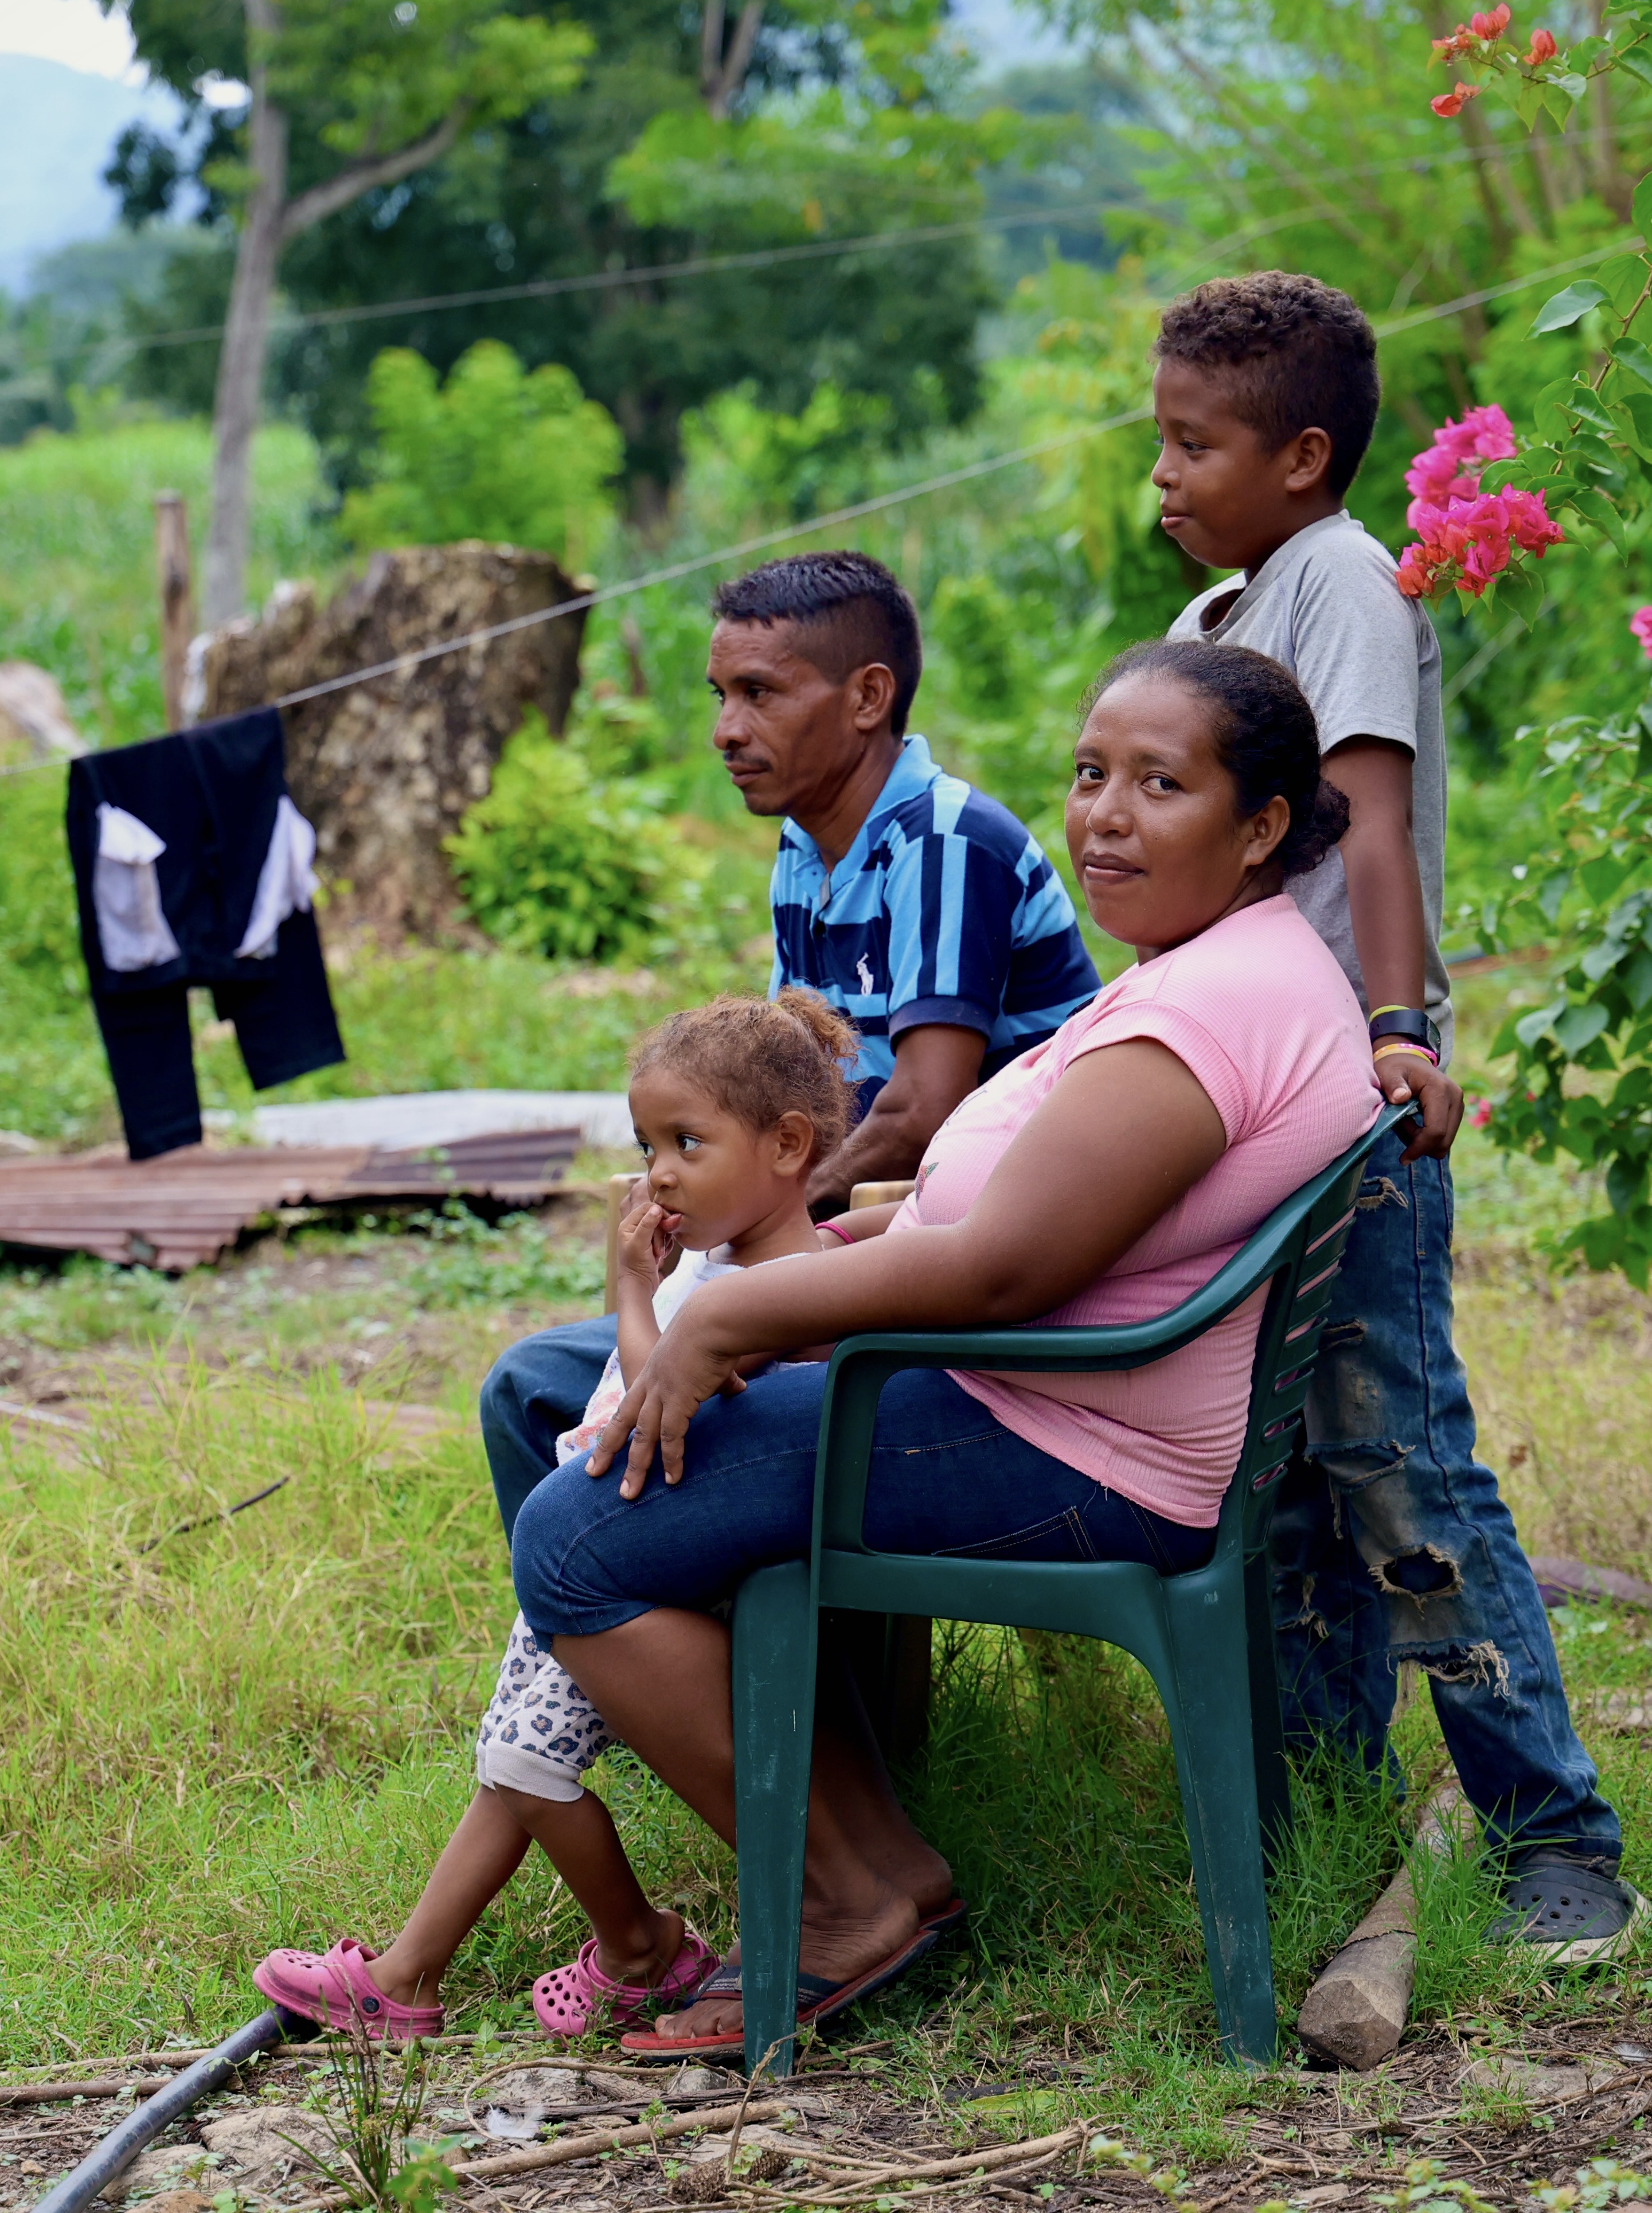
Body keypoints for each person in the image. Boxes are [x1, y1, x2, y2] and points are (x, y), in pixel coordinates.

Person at [511, 639, 1378, 2058]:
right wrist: (813, 1257)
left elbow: (1005, 1266)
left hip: (1071, 1439)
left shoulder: (1207, 1012)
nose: (1103, 814)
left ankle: (850, 1889)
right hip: (1042, 1384)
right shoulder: (1222, 965)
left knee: (572, 1538)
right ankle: (820, 1824)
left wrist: (731, 1310)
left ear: (1262, 822)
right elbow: (1022, 1220)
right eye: (1092, 773)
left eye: (1161, 784)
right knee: (551, 1390)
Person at [1150, 270, 1635, 1956]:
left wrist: (1398, 1029)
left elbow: (1371, 824)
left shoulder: (1341, 582)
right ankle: (1329, 1827)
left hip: (1354, 1104)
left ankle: (1560, 1842)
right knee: (1285, 1479)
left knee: (1403, 1466)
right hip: (1260, 1108)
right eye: (1159, 442)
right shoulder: (1240, 607)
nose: (1163, 475)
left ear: (1300, 456)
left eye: (1193, 445)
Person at [247, 993, 861, 2040]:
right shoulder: (723, 1269)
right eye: (647, 1144)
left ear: (788, 1146)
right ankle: (430, 1975)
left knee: (524, 1766)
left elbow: (662, 1411)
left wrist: (630, 1289)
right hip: (602, 1542)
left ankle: (634, 1950)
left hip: (639, 1563)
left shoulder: (788, 1284)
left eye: (688, 1142)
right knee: (512, 1763)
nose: (658, 1172)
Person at [476, 551, 1102, 1540]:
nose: (728, 730)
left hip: (952, 1265)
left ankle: (692, 1639)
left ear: (867, 696)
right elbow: (782, 1087)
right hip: (848, 1241)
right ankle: (633, 1648)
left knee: (605, 1386)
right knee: (533, 1390)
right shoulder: (808, 849)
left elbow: (920, 1109)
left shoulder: (943, 845)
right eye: (722, 695)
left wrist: (753, 1231)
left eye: (760, 694)